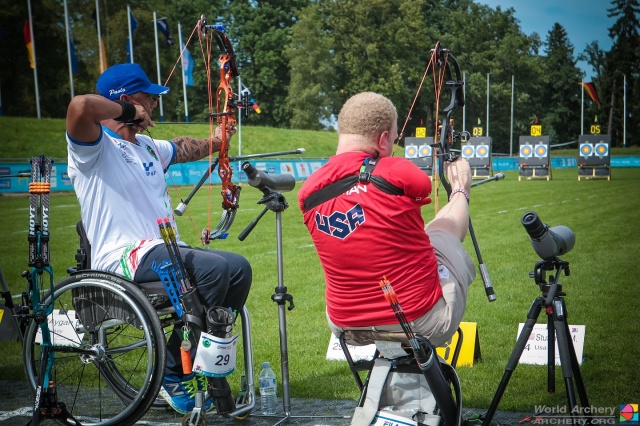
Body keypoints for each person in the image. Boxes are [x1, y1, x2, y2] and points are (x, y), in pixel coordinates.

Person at [65, 63, 252, 414]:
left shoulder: (148, 146)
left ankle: (202, 361)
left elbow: (183, 148)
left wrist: (220, 139)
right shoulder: (93, 148)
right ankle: (169, 373)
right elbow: (80, 107)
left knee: (238, 268)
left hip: (164, 252)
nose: (154, 104)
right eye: (148, 98)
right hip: (124, 257)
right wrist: (125, 112)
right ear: (125, 99)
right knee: (213, 271)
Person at [298, 92, 475, 348]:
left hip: (344, 325)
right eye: (393, 139)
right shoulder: (396, 171)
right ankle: (461, 189)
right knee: (441, 235)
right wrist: (460, 184)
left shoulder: (308, 191)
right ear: (382, 139)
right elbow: (420, 186)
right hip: (420, 320)